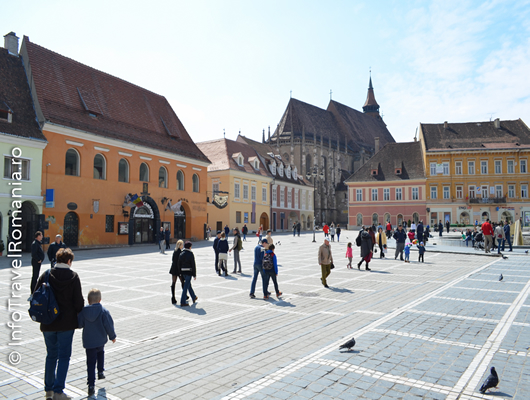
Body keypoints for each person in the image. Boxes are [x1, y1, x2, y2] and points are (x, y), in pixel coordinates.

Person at [35, 248, 84, 400]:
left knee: (51, 355)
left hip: (48, 323)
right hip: (66, 325)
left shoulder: (46, 275)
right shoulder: (73, 276)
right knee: (63, 356)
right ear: (69, 261)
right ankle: (58, 392)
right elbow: (78, 303)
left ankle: (48, 390)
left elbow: (35, 295)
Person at [77, 289, 116, 396]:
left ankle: (91, 385)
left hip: (89, 342)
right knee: (101, 353)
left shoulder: (84, 312)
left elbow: (79, 324)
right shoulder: (103, 311)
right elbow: (109, 325)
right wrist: (112, 336)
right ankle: (100, 371)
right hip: (100, 340)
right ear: (100, 300)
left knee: (90, 363)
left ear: (88, 300)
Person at [178, 241, 198, 306]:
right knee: (186, 287)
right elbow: (193, 264)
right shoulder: (190, 254)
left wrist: (180, 273)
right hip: (189, 272)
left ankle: (194, 297)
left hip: (183, 272)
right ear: (189, 247)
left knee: (188, 285)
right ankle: (182, 301)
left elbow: (179, 264)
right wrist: (194, 274)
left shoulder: (181, 253)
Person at [169, 240, 184, 304]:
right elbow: (180, 261)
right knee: (182, 282)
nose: (183, 246)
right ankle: (184, 295)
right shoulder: (180, 252)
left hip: (173, 268)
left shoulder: (175, 251)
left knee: (173, 283)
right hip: (178, 269)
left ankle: (173, 297)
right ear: (180, 245)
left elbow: (172, 259)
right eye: (182, 244)